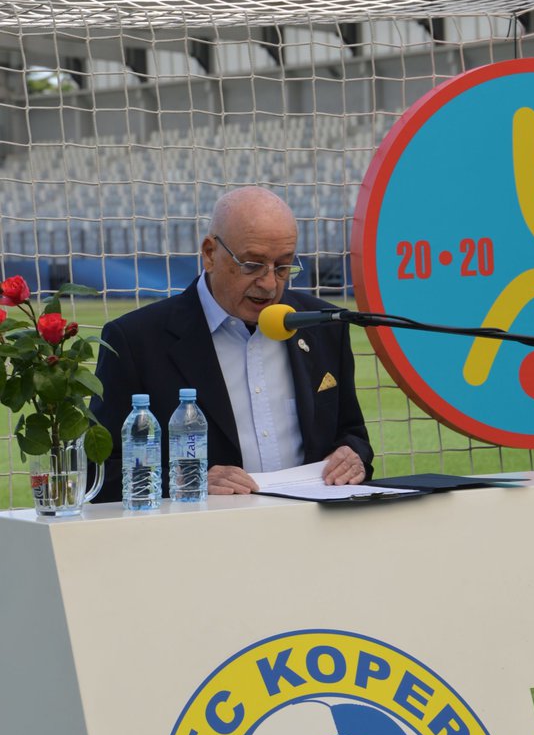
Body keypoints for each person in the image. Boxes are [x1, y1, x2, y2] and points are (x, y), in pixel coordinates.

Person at [90, 186, 373, 500]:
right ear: (210, 253)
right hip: (201, 539)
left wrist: (352, 456)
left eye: (282, 267)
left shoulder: (323, 325)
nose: (269, 284)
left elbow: (353, 433)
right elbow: (100, 470)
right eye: (252, 265)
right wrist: (186, 480)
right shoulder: (135, 341)